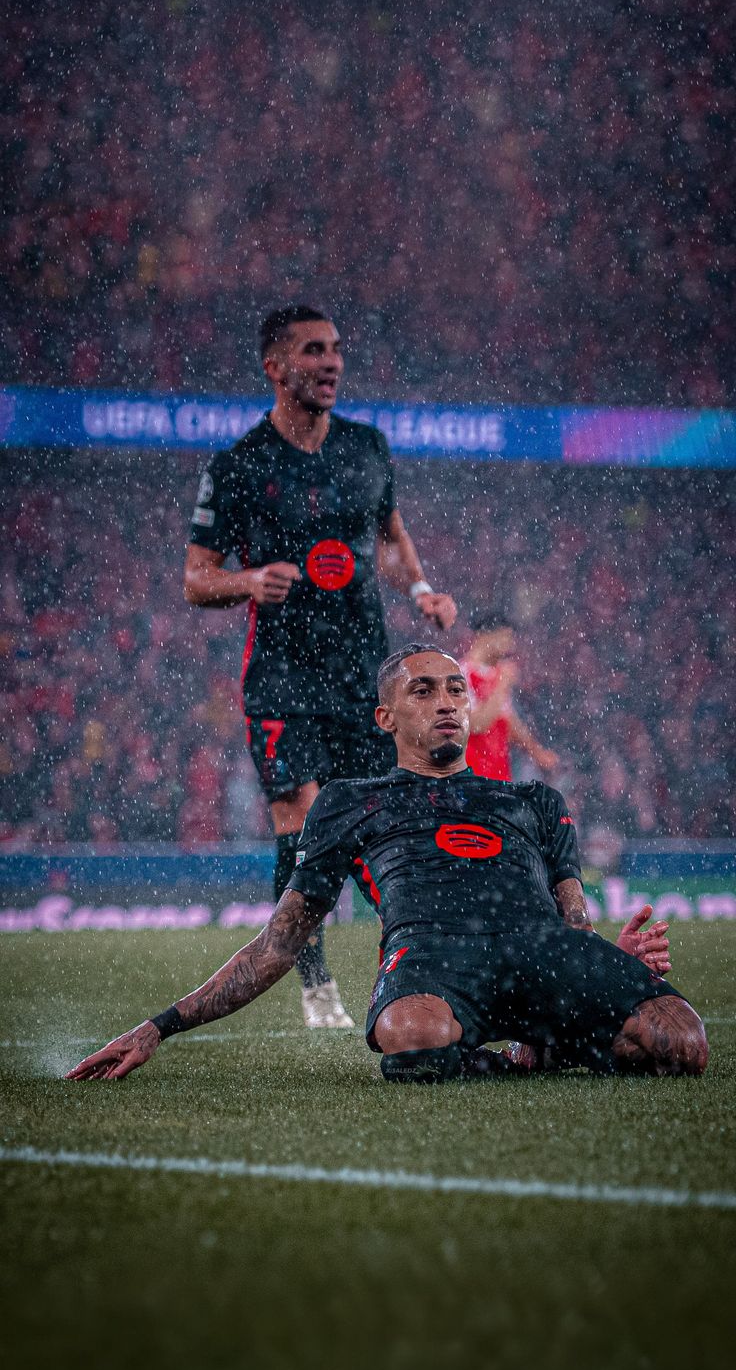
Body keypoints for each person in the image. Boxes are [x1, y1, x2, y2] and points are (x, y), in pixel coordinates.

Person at [67, 646, 707, 1086]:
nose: (446, 702)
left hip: (542, 950)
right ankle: (530, 1055)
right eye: (423, 691)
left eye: (455, 689)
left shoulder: (534, 799)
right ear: (385, 717)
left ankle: (540, 1045)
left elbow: (574, 922)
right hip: (432, 957)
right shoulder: (351, 801)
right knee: (411, 1036)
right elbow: (279, 944)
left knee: (684, 1043)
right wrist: (160, 1027)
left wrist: (604, 957)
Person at [184, 305, 457, 1029]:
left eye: (335, 349)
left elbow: (391, 540)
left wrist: (422, 591)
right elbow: (196, 579)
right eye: (313, 350)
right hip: (282, 680)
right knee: (302, 822)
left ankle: (411, 964)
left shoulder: (367, 447)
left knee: (381, 818)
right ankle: (315, 985)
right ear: (276, 368)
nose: (331, 362)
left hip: (364, 677)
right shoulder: (239, 465)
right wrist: (247, 581)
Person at [463, 611, 558, 782]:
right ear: (484, 636)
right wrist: (502, 684)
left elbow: (507, 720)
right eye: (505, 638)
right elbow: (476, 725)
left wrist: (537, 753)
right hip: (472, 778)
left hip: (499, 776)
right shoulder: (461, 673)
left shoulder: (495, 674)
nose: (510, 646)